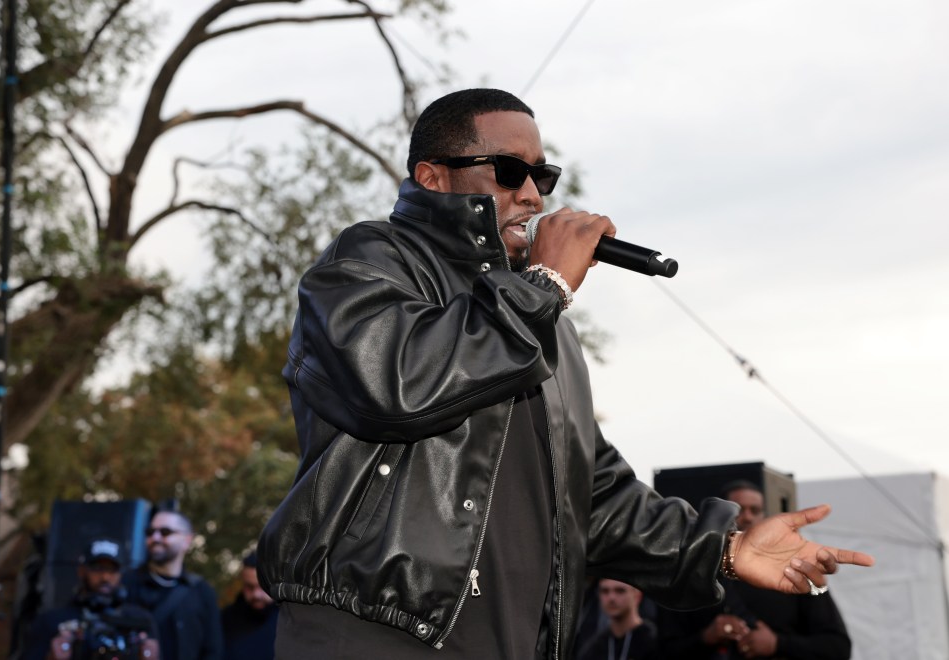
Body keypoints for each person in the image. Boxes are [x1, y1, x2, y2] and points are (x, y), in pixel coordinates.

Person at [256, 87, 873, 659]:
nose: (533, 194)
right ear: (433, 177)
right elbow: (393, 386)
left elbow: (594, 492)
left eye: (542, 175)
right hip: (378, 631)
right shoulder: (372, 259)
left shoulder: (538, 319)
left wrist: (725, 550)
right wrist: (543, 288)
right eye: (509, 171)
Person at [656, 480, 853, 659]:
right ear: (721, 518)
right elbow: (660, 650)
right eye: (739, 510)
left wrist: (777, 643)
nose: (747, 517)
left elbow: (838, 647)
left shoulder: (794, 572)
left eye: (755, 510)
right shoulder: (691, 576)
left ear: (765, 518)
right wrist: (706, 637)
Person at [21, 538, 159, 660]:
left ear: (121, 574)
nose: (105, 577)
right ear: (81, 571)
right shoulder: (51, 621)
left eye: (112, 570)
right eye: (98, 568)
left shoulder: (141, 622)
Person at [121, 510, 222, 660]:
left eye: (165, 532)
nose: (155, 538)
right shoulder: (126, 584)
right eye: (150, 532)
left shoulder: (202, 591)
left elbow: (214, 650)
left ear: (187, 540)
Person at [575, 579, 659, 660]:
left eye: (620, 590)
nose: (611, 598)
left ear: (637, 596)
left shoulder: (654, 642)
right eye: (605, 591)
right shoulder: (594, 648)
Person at [221, 551, 277, 660]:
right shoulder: (226, 620)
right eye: (249, 587)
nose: (256, 594)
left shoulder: (292, 620)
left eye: (262, 587)